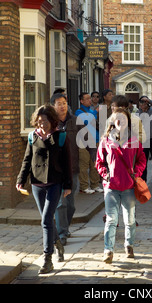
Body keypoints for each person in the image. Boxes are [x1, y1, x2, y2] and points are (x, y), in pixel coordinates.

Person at [16, 104, 71, 274]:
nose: (41, 125)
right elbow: (27, 160)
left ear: (52, 120)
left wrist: (68, 185)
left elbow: (67, 163)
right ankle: (58, 244)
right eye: (39, 122)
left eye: (45, 121)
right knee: (47, 220)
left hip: (55, 182)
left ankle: (48, 259)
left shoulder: (61, 136)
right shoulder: (33, 136)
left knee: (46, 219)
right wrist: (21, 180)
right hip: (37, 184)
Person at [96, 108, 146, 264]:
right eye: (117, 119)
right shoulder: (105, 141)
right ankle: (108, 250)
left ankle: (129, 244)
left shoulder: (134, 141)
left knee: (129, 220)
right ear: (112, 122)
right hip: (111, 186)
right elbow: (99, 162)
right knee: (111, 220)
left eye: (123, 119)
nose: (120, 121)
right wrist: (106, 174)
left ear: (127, 122)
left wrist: (136, 173)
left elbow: (141, 160)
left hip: (129, 187)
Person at [51, 92, 81, 245]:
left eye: (64, 103)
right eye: (59, 103)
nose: (62, 106)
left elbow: (87, 142)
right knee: (60, 203)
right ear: (53, 106)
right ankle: (62, 233)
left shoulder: (76, 121)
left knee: (70, 205)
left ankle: (65, 227)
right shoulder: (50, 123)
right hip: (56, 170)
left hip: (72, 168)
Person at [75, 93, 103, 194]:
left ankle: (95, 185)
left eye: (89, 98)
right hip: (84, 142)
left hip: (94, 141)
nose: (90, 100)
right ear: (81, 101)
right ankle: (84, 186)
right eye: (87, 99)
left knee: (94, 164)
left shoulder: (90, 111)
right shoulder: (79, 112)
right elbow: (87, 120)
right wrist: (95, 111)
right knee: (84, 165)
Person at [137, 96, 152, 186]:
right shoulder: (137, 112)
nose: (142, 104)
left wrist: (150, 101)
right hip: (143, 139)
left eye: (144, 101)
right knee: (143, 161)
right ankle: (143, 180)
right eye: (141, 102)